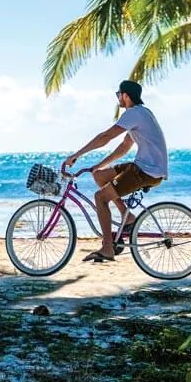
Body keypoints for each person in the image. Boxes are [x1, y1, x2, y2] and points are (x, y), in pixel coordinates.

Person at [63, 79, 168, 263]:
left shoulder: (133, 113)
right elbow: (125, 146)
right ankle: (128, 219)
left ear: (126, 96)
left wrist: (76, 155)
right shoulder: (142, 113)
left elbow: (105, 137)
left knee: (100, 198)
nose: (118, 98)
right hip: (145, 167)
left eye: (119, 94)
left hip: (145, 171)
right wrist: (99, 165)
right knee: (100, 175)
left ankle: (107, 248)